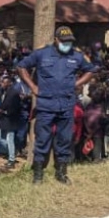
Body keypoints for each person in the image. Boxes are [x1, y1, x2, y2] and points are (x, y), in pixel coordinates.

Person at [17, 26, 95, 184]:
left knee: (64, 139)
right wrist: (33, 87)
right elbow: (21, 66)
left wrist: (77, 83)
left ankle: (61, 173)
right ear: (56, 40)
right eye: (64, 41)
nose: (67, 44)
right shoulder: (41, 54)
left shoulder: (77, 56)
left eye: (69, 42)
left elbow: (91, 70)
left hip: (66, 105)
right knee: (42, 139)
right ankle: (38, 174)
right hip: (46, 104)